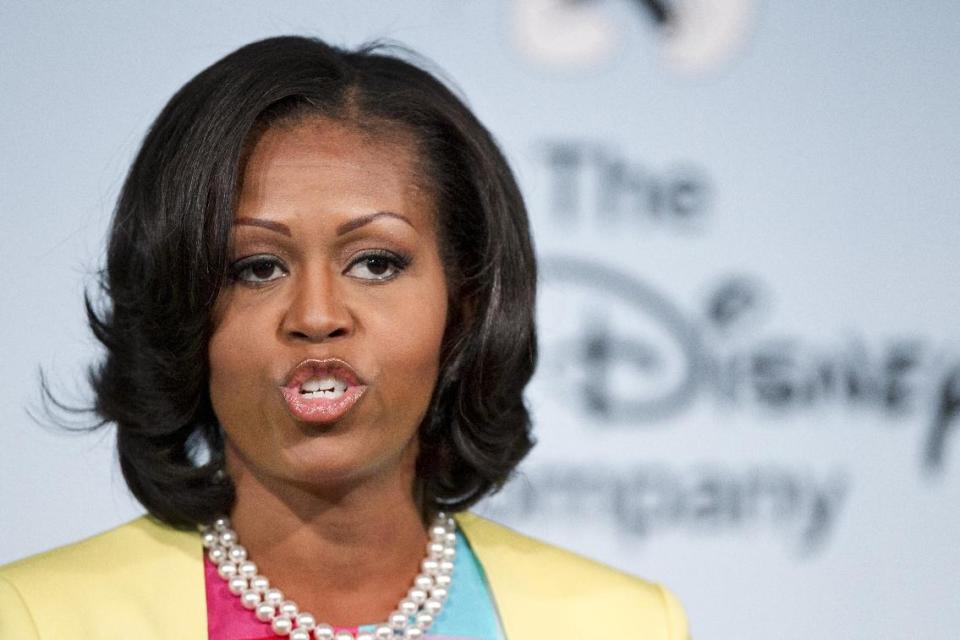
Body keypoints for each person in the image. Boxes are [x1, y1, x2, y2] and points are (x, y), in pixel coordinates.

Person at [0, 36, 689, 640]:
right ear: (179, 308)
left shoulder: (626, 624)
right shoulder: (36, 618)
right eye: (257, 267)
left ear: (467, 304)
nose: (318, 314)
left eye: (376, 263)